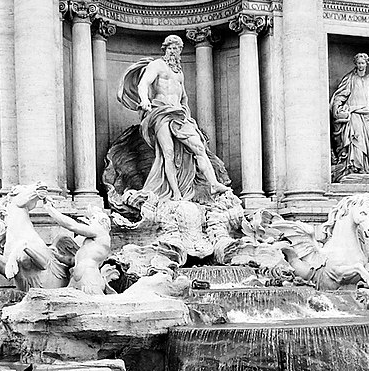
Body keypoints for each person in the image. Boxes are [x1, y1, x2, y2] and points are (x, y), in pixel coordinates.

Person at [118, 35, 230, 202]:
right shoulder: (157, 65)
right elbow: (143, 84)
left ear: (180, 51)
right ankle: (175, 193)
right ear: (165, 49)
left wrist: (188, 116)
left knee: (199, 147)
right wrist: (144, 100)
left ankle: (213, 184)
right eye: (170, 48)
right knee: (168, 153)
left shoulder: (179, 74)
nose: (173, 51)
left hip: (179, 115)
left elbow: (184, 97)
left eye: (176, 48)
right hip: (161, 112)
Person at [330, 53, 369, 181]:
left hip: (367, 115)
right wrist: (337, 108)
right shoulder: (350, 78)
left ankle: (367, 167)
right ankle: (355, 168)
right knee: (356, 142)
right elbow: (340, 95)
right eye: (358, 63)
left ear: (367, 63)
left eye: (363, 63)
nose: (361, 65)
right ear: (355, 64)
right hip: (354, 114)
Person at [42, 201, 118, 295]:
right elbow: (73, 261)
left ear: (102, 221)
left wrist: (51, 210)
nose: (90, 221)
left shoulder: (101, 233)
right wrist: (57, 256)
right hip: (77, 278)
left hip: (89, 278)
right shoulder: (91, 243)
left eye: (93, 218)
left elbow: (73, 226)